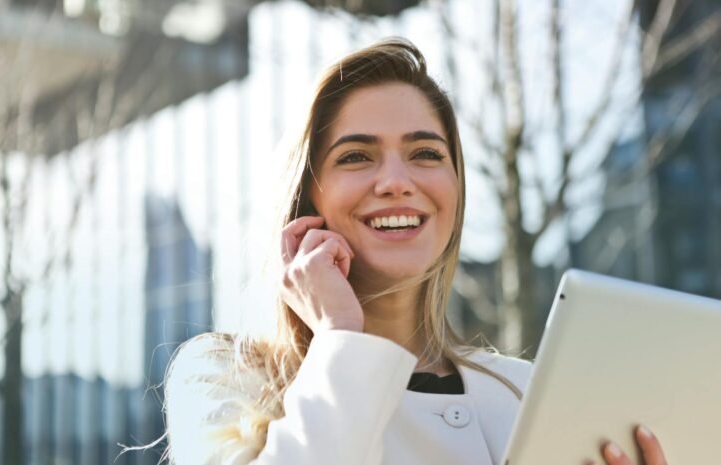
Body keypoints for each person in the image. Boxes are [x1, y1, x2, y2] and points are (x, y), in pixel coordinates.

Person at [163, 38, 668, 465]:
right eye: (356, 156)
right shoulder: (223, 378)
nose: (396, 183)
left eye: (425, 153)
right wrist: (340, 336)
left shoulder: (526, 392)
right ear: (307, 197)